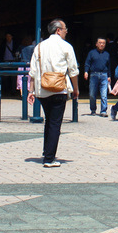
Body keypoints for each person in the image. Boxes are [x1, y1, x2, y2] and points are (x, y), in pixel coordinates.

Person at [28, 18, 79, 168]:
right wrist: (76, 88)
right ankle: (49, 159)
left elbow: (33, 71)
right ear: (58, 30)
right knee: (55, 124)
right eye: (65, 29)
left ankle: (47, 151)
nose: (66, 31)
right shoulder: (66, 46)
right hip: (59, 89)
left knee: (49, 121)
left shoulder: (39, 47)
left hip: (42, 90)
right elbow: (73, 70)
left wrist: (31, 91)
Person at [84, 37, 111, 116]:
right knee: (92, 94)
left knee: (104, 94)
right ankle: (93, 109)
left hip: (104, 75)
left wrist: (109, 76)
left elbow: (109, 66)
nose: (102, 44)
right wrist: (86, 71)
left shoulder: (107, 54)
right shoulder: (91, 53)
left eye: (103, 43)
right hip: (94, 75)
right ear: (96, 44)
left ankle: (103, 111)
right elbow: (87, 63)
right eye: (100, 42)